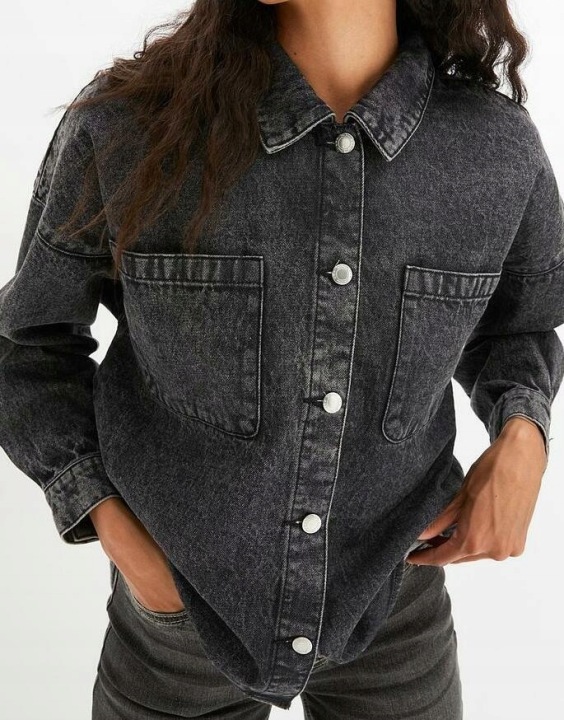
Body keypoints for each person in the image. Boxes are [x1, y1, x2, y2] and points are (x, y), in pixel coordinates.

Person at [1, 0, 563, 717]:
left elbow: (519, 327)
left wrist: (523, 438)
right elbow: (27, 342)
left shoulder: (494, 151)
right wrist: (110, 522)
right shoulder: (130, 128)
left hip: (396, 602)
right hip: (179, 613)